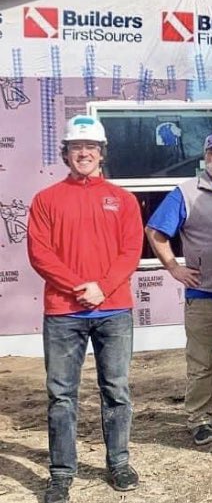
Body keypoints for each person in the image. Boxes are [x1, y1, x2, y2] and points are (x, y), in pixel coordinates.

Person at [27, 115, 143, 503]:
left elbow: (130, 252)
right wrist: (79, 287)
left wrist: (103, 287)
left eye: (91, 147)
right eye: (77, 148)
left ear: (101, 153)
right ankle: (61, 473)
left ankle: (119, 463)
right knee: (61, 395)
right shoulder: (46, 200)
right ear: (66, 153)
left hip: (114, 310)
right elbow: (40, 253)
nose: (84, 154)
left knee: (117, 391)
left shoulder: (123, 199)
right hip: (63, 311)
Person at [145, 132, 212, 445]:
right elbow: (155, 231)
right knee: (202, 365)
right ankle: (200, 419)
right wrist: (174, 268)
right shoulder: (186, 192)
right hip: (204, 296)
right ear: (205, 156)